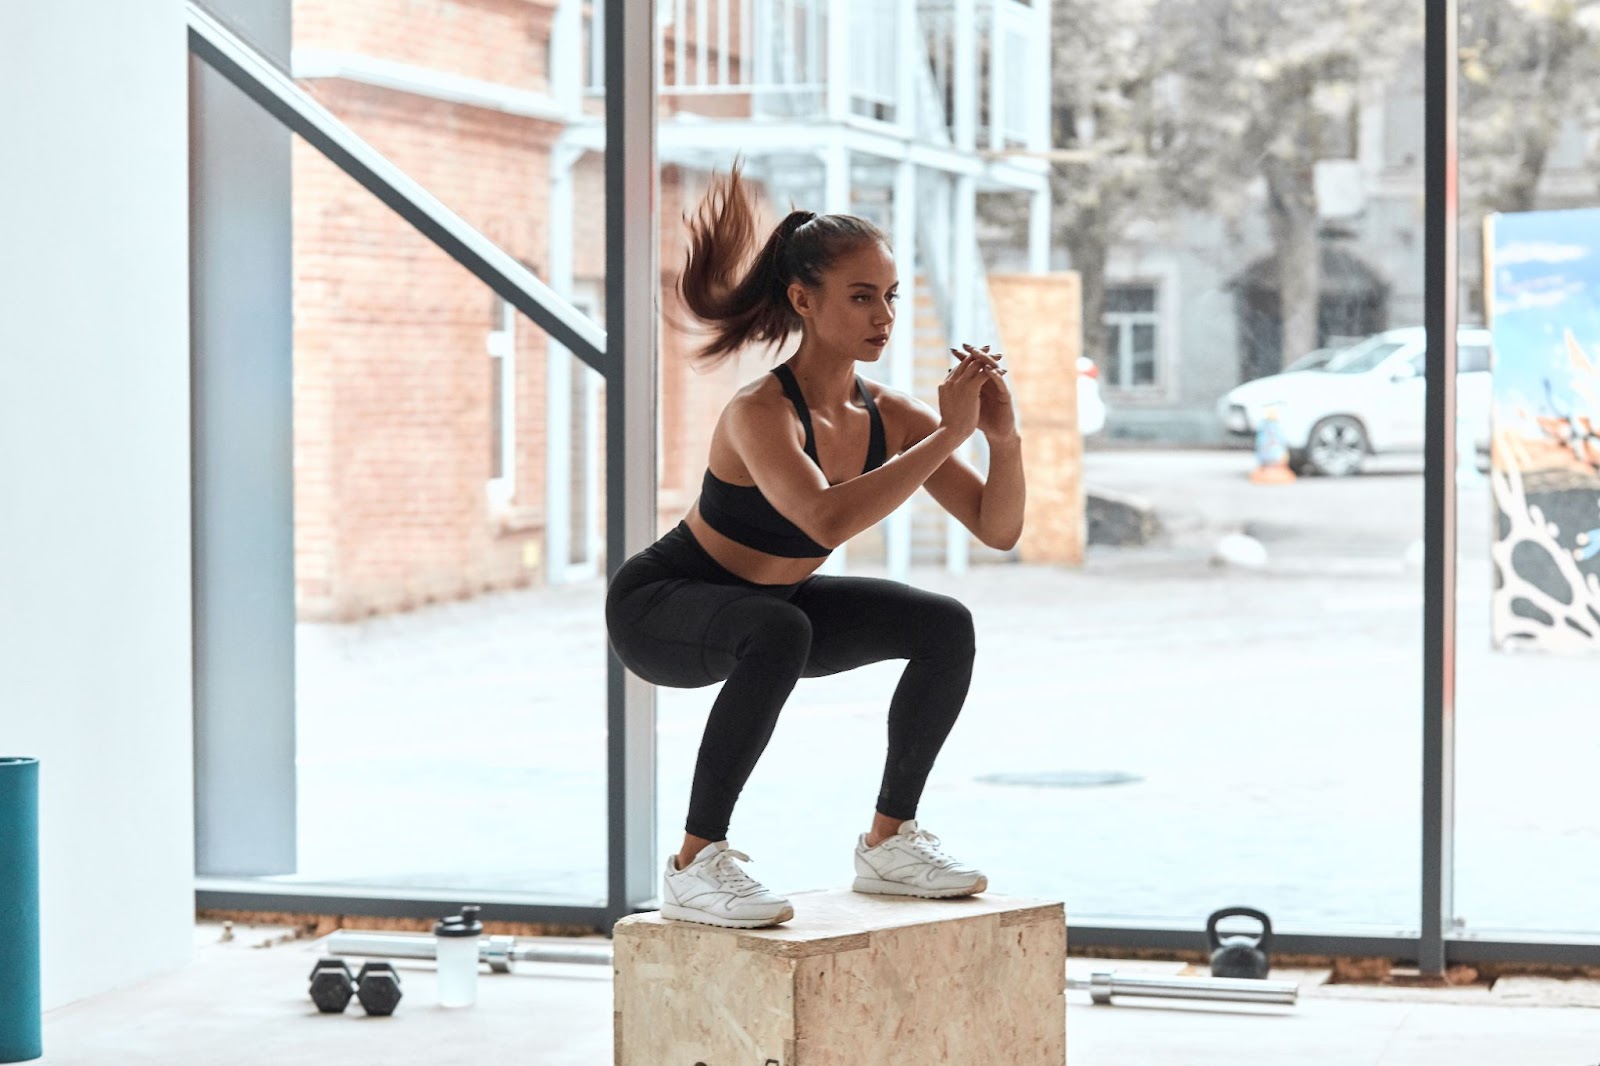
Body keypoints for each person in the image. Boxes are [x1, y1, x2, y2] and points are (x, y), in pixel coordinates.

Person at [604, 165, 1025, 929]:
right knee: (780, 628)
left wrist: (1003, 438)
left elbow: (998, 529)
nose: (884, 315)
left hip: (771, 607)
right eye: (862, 296)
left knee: (944, 625)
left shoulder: (886, 413)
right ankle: (697, 863)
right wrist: (951, 434)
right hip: (664, 608)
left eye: (891, 295)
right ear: (804, 300)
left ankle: (890, 843)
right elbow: (823, 522)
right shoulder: (761, 411)